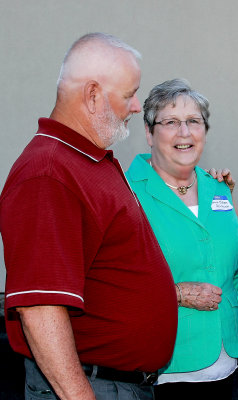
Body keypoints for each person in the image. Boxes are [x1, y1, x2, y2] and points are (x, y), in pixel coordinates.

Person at [0, 33, 178, 400]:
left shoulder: (87, 158)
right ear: (93, 95)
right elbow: (39, 307)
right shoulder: (48, 174)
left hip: (115, 383)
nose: (135, 106)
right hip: (90, 386)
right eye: (130, 93)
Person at [125, 78, 238, 400]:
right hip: (161, 373)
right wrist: (174, 294)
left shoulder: (218, 189)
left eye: (193, 122)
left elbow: (235, 270)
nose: (184, 132)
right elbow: (112, 282)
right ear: (149, 132)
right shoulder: (126, 193)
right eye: (171, 122)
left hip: (225, 365)